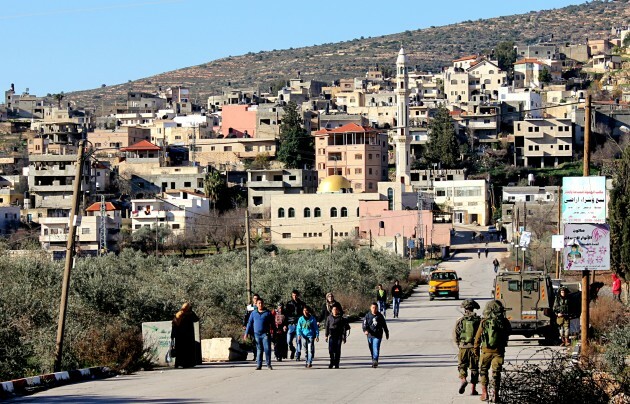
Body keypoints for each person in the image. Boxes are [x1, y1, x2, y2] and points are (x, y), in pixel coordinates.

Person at [474, 300, 511, 402]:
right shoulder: (504, 321)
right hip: (499, 351)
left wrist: (476, 351)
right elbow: (509, 332)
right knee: (496, 373)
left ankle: (485, 393)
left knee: (483, 371)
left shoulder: (484, 322)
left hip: (486, 351)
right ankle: (495, 394)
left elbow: (477, 338)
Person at [453, 299, 481, 396]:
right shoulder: (479, 320)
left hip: (463, 346)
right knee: (474, 368)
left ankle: (463, 380)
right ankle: (473, 390)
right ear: (474, 308)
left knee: (462, 365)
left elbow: (455, 335)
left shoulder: (460, 320)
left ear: (465, 308)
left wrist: (459, 345)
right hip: (474, 347)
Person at [244, 297, 274, 370]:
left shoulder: (267, 313)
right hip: (257, 334)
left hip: (265, 334)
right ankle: (259, 365)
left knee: (267, 349)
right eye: (259, 303)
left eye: (261, 303)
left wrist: (273, 332)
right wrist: (246, 333)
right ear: (256, 304)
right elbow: (249, 323)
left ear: (263, 304)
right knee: (259, 350)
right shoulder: (253, 313)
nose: (260, 304)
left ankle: (268, 364)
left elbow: (272, 323)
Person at [171, 302, 200, 368]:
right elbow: (196, 319)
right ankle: (188, 364)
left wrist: (172, 335)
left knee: (180, 350)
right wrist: (191, 311)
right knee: (188, 350)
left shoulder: (178, 314)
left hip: (179, 337)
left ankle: (179, 364)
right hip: (188, 336)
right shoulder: (190, 314)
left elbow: (174, 325)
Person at [362, 302, 389, 368]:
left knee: (376, 348)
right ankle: (374, 360)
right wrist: (365, 330)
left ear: (377, 308)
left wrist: (386, 332)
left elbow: (384, 325)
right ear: (370, 308)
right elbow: (364, 324)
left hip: (378, 335)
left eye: (376, 308)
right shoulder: (367, 316)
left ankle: (375, 361)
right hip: (370, 335)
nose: (374, 309)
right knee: (372, 349)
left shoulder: (380, 316)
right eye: (373, 308)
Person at [325, 303, 350, 369]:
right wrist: (326, 335)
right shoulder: (329, 318)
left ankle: (336, 363)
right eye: (333, 309)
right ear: (331, 310)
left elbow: (344, 329)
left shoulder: (341, 319)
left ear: (338, 310)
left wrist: (344, 337)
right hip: (331, 335)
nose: (335, 310)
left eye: (336, 309)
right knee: (331, 350)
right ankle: (331, 361)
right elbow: (327, 326)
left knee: (337, 350)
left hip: (338, 336)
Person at [285, 290, 305, 361]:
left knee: (298, 340)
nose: (294, 296)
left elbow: (304, 314)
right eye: (293, 295)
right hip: (291, 324)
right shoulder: (288, 304)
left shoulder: (302, 304)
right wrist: (286, 324)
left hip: (299, 324)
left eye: (296, 295)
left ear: (298, 295)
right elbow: (286, 315)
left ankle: (297, 355)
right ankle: (293, 349)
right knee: (288, 341)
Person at [242, 294, 260, 361]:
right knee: (253, 341)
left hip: (258, 326)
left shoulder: (260, 306)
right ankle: (255, 355)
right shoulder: (249, 307)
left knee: (257, 341)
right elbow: (245, 316)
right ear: (253, 299)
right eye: (255, 298)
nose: (256, 300)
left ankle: (258, 355)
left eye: (257, 298)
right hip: (251, 327)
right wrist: (244, 325)